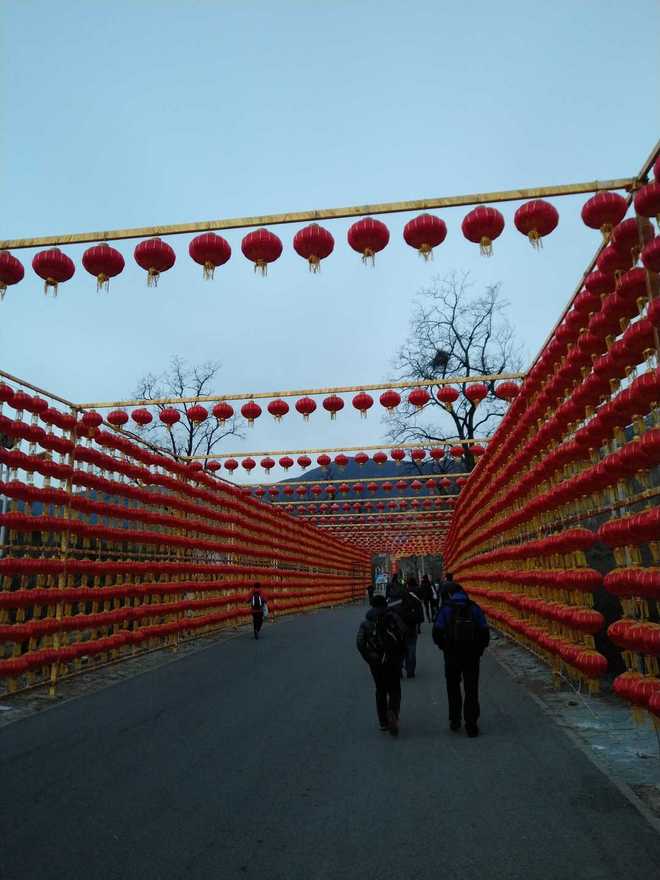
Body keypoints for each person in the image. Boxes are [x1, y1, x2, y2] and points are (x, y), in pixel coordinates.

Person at [432, 579, 490, 737]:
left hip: (451, 656)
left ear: (449, 594)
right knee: (471, 689)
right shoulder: (474, 608)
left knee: (453, 688)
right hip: (471, 656)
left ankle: (455, 719)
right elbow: (485, 632)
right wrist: (479, 650)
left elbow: (436, 633)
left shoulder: (445, 609)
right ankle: (471, 723)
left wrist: (444, 647)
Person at [356, 595, 407, 735]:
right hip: (393, 659)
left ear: (372, 605)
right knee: (395, 688)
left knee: (380, 689)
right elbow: (403, 633)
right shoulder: (393, 617)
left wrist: (369, 657)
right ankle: (393, 711)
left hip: (376, 661)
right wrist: (401, 654)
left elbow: (360, 643)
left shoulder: (366, 622)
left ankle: (383, 721)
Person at [389, 576, 424, 679]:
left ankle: (399, 669)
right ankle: (410, 671)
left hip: (397, 630)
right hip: (411, 628)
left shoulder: (394, 600)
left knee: (399, 650)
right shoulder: (414, 599)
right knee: (411, 649)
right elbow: (420, 616)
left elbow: (388, 613)